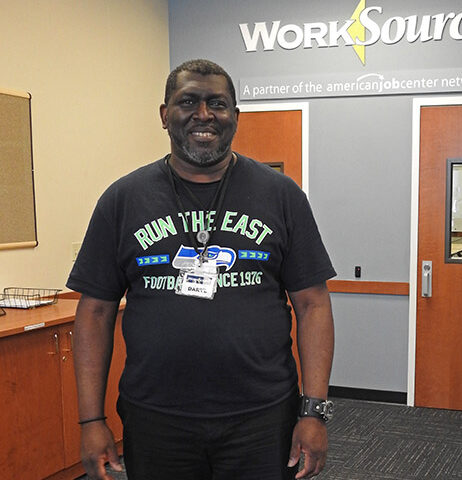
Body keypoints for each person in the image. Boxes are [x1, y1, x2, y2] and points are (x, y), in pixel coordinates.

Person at [67, 59, 336, 480]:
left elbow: (313, 304)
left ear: (236, 117)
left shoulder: (281, 196)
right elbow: (95, 311)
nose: (204, 114)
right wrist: (90, 421)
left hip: (262, 416)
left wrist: (314, 410)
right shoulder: (123, 200)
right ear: (164, 115)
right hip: (156, 417)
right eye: (188, 101)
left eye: (218, 103)